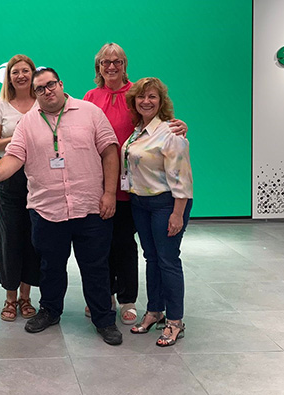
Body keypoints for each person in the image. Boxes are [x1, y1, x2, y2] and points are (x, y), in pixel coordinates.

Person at [0, 67, 123, 345]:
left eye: (51, 85)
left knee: (95, 267)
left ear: (61, 84)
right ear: (34, 94)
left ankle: (104, 320)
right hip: (47, 209)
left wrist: (109, 193)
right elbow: (14, 156)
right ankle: (50, 311)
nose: (47, 92)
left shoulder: (90, 112)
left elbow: (109, 151)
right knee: (50, 267)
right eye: (40, 89)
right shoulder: (27, 123)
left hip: (90, 207)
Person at [83, 43, 188, 325]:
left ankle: (128, 299)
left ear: (124, 64)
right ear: (99, 66)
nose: (112, 66)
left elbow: (157, 123)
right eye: (106, 62)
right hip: (101, 185)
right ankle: (104, 296)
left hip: (134, 189)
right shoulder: (90, 97)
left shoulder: (136, 94)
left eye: (117, 61)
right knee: (100, 244)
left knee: (126, 246)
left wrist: (178, 125)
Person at [123, 77, 193, 347]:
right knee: (151, 258)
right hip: (141, 204)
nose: (146, 101)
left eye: (152, 97)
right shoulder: (137, 131)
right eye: (141, 97)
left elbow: (182, 180)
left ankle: (175, 321)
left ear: (161, 101)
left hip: (167, 204)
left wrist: (177, 214)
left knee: (168, 260)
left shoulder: (171, 133)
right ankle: (154, 311)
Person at [0, 54, 40, 321]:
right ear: (9, 77)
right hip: (7, 178)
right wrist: (18, 136)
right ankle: (9, 299)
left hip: (39, 177)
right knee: (10, 237)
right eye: (15, 71)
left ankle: (26, 298)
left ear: (33, 74)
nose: (20, 75)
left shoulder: (43, 103)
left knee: (33, 236)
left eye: (25, 70)